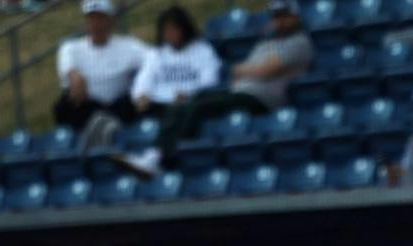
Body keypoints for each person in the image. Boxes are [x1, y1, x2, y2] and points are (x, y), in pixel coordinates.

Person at [157, 0, 314, 145]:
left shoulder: (299, 42)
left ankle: (174, 151)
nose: (279, 21)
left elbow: (265, 70)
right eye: (276, 16)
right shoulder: (266, 43)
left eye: (284, 16)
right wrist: (250, 70)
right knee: (192, 99)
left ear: (296, 17)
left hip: (260, 99)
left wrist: (248, 70)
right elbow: (238, 71)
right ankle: (156, 150)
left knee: (199, 107)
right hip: (240, 93)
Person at [54, 0, 150, 131]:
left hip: (120, 106)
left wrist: (143, 85)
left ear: (110, 21)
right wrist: (74, 77)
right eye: (91, 19)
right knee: (64, 105)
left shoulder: (129, 46)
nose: (95, 24)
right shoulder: (71, 48)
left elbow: (154, 59)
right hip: (88, 108)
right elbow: (68, 68)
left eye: (100, 18)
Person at [130, 5, 221, 120]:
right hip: (159, 106)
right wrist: (141, 94)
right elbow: (144, 79)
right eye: (166, 30)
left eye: (174, 29)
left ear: (184, 28)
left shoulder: (203, 50)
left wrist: (188, 94)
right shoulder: (156, 54)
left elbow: (210, 80)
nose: (170, 34)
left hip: (191, 105)